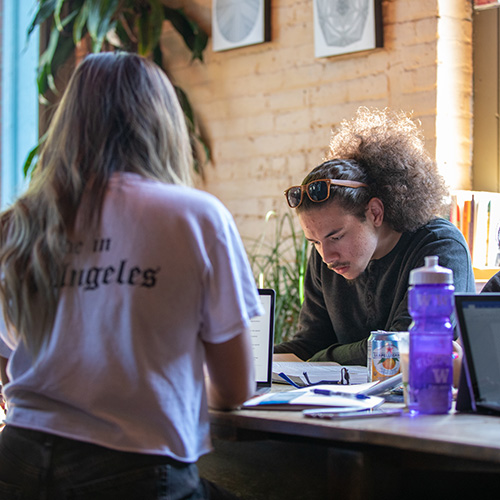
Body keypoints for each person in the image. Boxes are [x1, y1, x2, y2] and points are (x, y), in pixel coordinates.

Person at [0, 52, 262, 499]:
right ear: (163, 123)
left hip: (17, 461)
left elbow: (8, 364)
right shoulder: (196, 216)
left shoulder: (19, 221)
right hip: (134, 470)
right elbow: (235, 389)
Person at [274, 107, 475, 372]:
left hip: (423, 399)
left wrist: (322, 358)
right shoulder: (325, 252)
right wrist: (253, 357)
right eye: (314, 242)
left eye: (336, 236)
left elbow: (405, 348)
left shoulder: (439, 248)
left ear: (375, 212)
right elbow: (309, 344)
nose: (326, 256)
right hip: (348, 405)